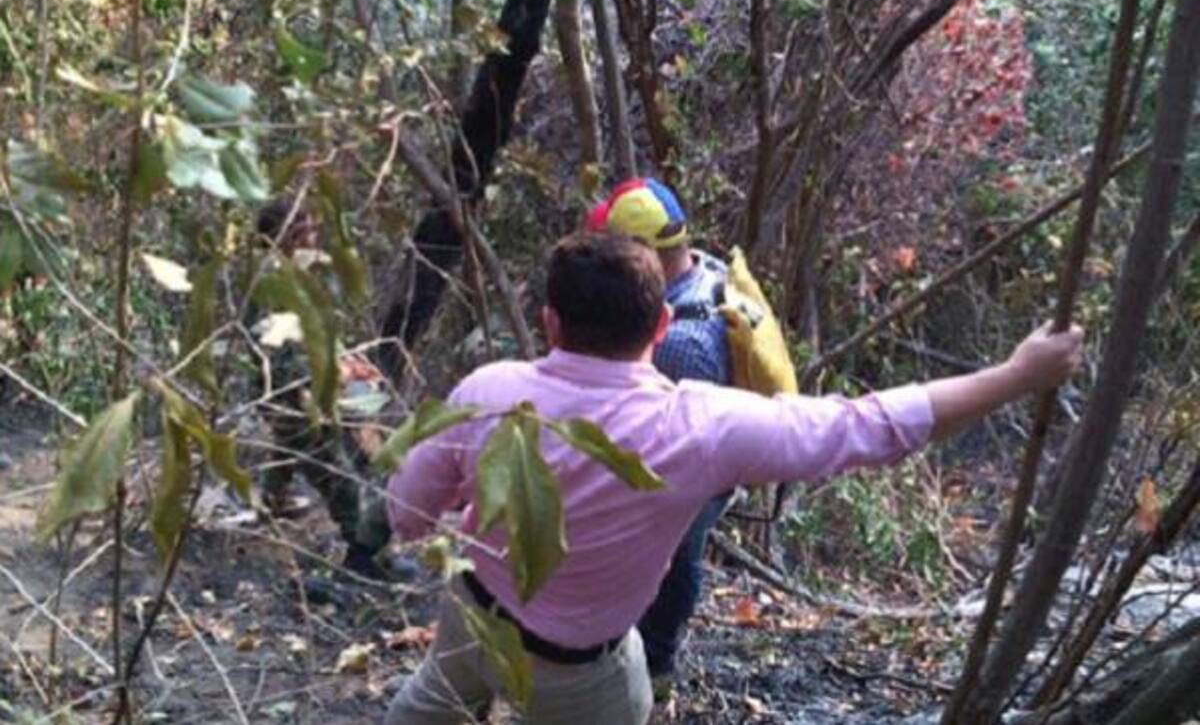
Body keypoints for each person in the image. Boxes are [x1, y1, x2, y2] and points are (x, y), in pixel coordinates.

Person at [383, 232, 1083, 725]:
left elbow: (406, 513)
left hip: (472, 613)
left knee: (430, 701)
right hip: (578, 671)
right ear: (661, 325)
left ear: (549, 321)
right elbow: (866, 426)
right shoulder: (700, 429)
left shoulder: (488, 389)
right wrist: (1017, 375)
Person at [586, 178, 735, 683]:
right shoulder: (706, 271)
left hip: (692, 473)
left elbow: (669, 442)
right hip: (707, 456)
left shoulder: (681, 342)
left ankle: (656, 665)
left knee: (677, 560)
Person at [253, 198, 392, 579]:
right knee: (341, 478)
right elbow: (282, 356)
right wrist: (335, 377)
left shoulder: (296, 276)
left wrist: (346, 361)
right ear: (283, 234)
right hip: (297, 400)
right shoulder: (272, 281)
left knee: (291, 451)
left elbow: (315, 335)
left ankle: (270, 501)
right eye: (304, 225)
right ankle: (365, 560)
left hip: (305, 394)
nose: (313, 232)